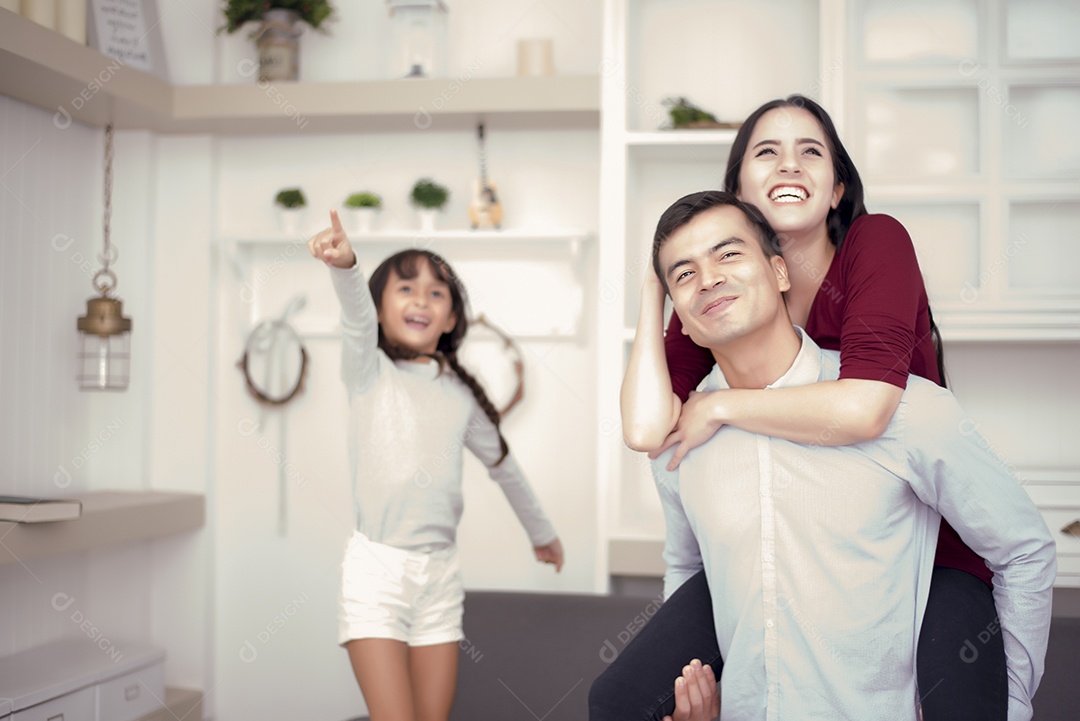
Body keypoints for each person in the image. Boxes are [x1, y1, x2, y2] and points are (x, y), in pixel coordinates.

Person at [595, 95, 1005, 720]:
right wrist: (656, 282)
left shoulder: (876, 242)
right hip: (779, 534)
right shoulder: (715, 288)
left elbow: (866, 409)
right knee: (621, 699)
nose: (790, 165)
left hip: (917, 531)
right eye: (767, 153)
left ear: (838, 187)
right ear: (735, 189)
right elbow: (649, 428)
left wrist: (725, 405)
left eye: (811, 152)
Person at [638, 190, 1053, 720]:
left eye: (728, 254)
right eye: (683, 273)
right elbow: (686, 567)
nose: (709, 278)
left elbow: (1024, 550)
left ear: (781, 273)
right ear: (685, 324)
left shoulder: (908, 410)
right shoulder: (680, 441)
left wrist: (1008, 701)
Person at [308, 210, 565, 721]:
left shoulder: (461, 395)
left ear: (450, 319)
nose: (420, 299)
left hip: (440, 579)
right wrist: (346, 267)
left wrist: (542, 533)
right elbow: (354, 318)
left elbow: (504, 467)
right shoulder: (368, 372)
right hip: (377, 574)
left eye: (435, 293)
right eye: (405, 288)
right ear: (380, 308)